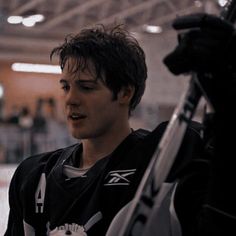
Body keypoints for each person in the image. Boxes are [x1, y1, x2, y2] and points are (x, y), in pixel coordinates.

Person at [4, 13, 236, 236]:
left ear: (125, 92)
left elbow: (220, 217)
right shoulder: (33, 176)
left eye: (86, 87)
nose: (70, 99)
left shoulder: (165, 158)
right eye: (66, 87)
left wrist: (226, 106)